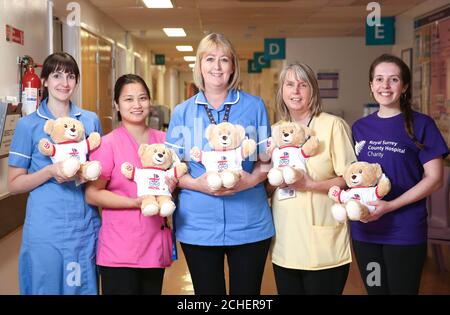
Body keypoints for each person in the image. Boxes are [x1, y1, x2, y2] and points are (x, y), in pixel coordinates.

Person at [165, 33, 274, 295]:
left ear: (233, 66)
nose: (217, 66)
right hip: (198, 224)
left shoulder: (254, 106)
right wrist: (198, 184)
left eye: (224, 59)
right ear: (199, 65)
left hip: (249, 222)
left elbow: (267, 162)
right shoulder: (183, 112)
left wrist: (251, 180)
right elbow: (170, 168)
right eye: (210, 59)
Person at [351, 53, 449, 295]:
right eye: (379, 79)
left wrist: (391, 205)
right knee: (376, 291)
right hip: (365, 230)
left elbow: (435, 179)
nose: (385, 86)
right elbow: (352, 176)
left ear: (404, 86)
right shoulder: (360, 128)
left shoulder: (422, 124)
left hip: (404, 230)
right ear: (371, 85)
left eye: (393, 79)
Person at [7, 52, 102, 294]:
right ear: (45, 81)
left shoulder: (89, 121)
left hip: (83, 226)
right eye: (57, 75)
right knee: (45, 287)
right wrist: (50, 171)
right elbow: (14, 184)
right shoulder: (29, 125)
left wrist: (85, 173)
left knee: (81, 288)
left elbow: (99, 175)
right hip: (45, 227)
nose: (65, 83)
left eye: (71, 76)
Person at [270, 63, 356, 295]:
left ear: (313, 91)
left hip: (322, 244)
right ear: (282, 91)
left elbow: (349, 179)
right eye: (289, 84)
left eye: (302, 85)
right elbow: (270, 180)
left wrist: (311, 185)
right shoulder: (277, 131)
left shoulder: (332, 126)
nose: (295, 91)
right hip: (286, 243)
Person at [85, 74, 176, 295]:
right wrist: (134, 202)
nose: (137, 105)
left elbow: (176, 179)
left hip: (155, 245)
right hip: (119, 251)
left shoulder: (165, 140)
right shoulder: (108, 144)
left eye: (142, 98)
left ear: (150, 102)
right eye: (128, 99)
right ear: (117, 104)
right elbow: (92, 194)